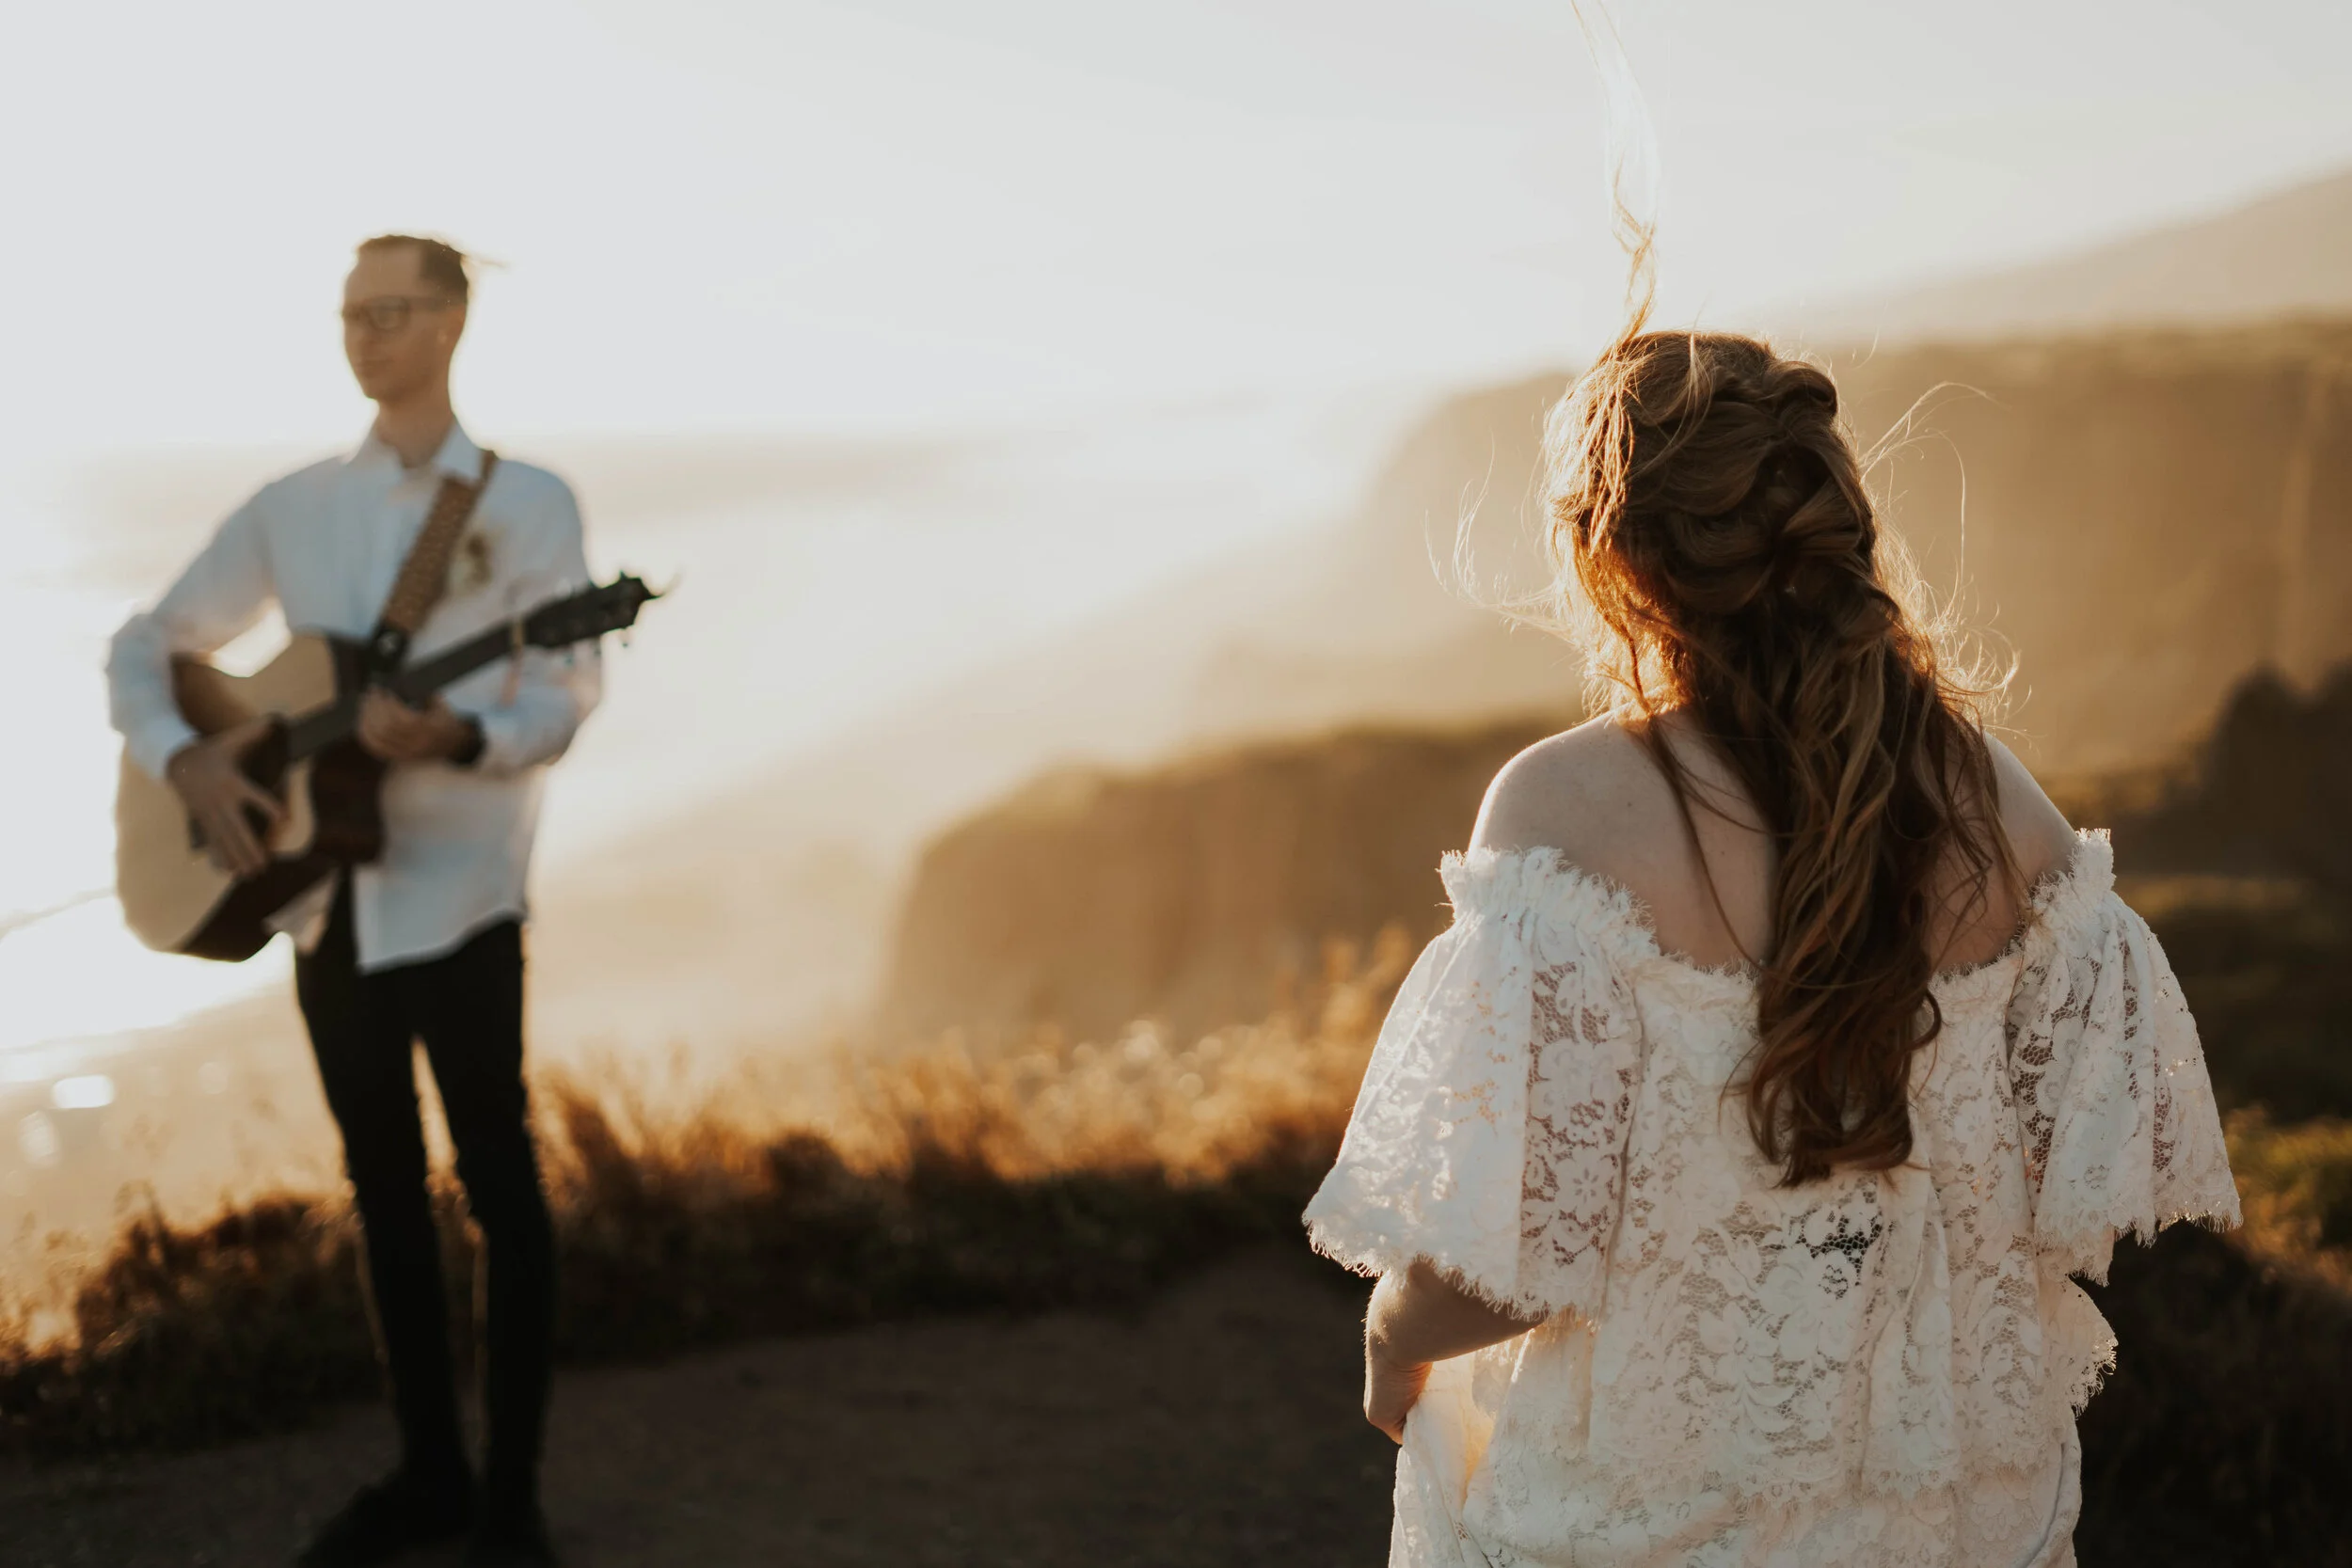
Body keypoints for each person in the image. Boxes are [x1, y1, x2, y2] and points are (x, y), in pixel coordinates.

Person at [1302, 326, 2240, 1566]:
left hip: (1654, 1531)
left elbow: (1513, 1259)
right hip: (1957, 1523)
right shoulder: (2001, 806)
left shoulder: (1561, 813)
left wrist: (1392, 1329)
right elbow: (2096, 1178)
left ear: (1616, 565)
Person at [107, 235, 600, 1568]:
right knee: (382, 1194)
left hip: (466, 900)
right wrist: (188, 752)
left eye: (389, 313)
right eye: (348, 315)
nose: (363, 336)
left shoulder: (532, 505)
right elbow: (145, 644)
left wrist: (454, 739)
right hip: (327, 909)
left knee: (500, 1187)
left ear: (450, 323)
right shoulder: (292, 508)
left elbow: (564, 690)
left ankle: (512, 1500)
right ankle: (429, 1474)